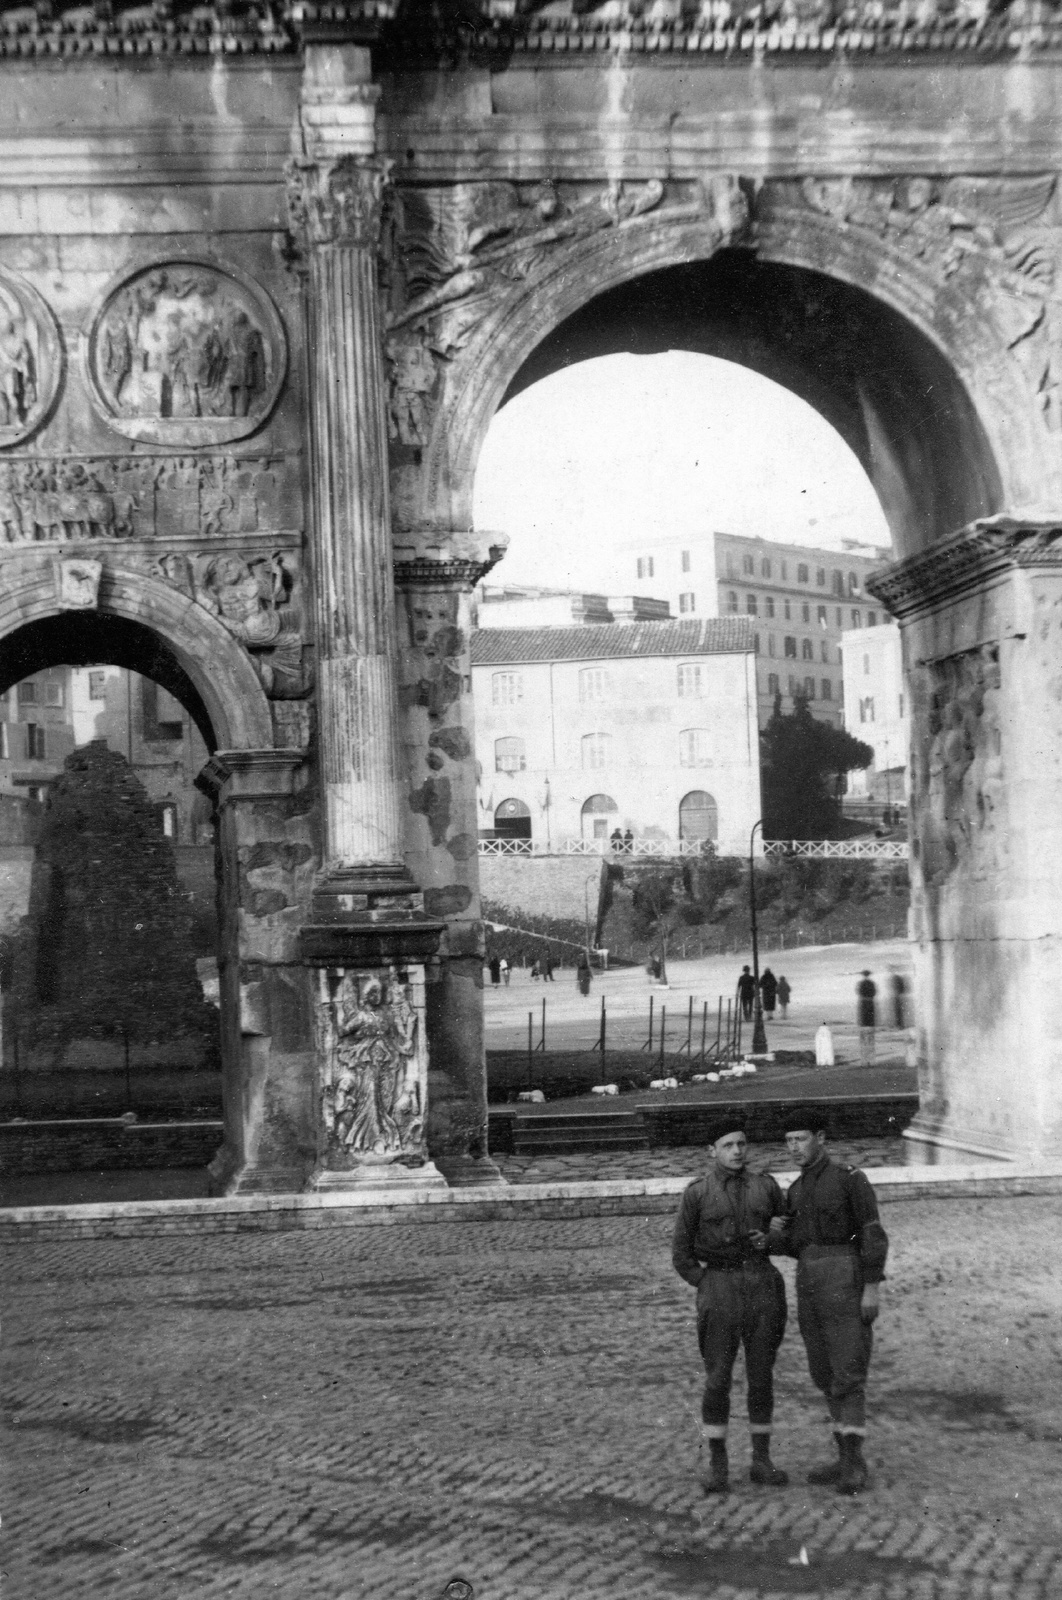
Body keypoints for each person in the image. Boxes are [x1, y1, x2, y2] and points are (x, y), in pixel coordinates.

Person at [770, 1109, 888, 1495]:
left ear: (820, 1137)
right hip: (809, 1283)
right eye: (788, 1141)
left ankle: (854, 1463)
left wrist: (870, 1286)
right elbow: (796, 1246)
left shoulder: (850, 1180)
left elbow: (872, 1234)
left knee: (848, 1368)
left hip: (845, 1278)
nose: (794, 1147)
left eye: (800, 1138)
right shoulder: (797, 1191)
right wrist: (771, 1237)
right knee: (823, 1370)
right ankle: (842, 1456)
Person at [672, 1116, 789, 1494]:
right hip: (719, 1288)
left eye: (741, 1144)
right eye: (728, 1145)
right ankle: (718, 1463)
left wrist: (770, 1237)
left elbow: (788, 1222)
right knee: (718, 1378)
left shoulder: (765, 1187)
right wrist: (705, 1282)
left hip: (761, 1285)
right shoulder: (698, 1193)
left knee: (761, 1375)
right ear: (713, 1151)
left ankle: (762, 1459)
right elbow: (681, 1254)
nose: (737, 1151)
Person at [856, 970, 877, 1066]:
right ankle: (871, 1061)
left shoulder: (860, 984)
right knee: (871, 1038)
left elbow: (858, 992)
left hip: (863, 1008)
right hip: (870, 1007)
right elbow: (875, 993)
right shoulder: (872, 984)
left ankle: (864, 1061)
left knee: (863, 1038)